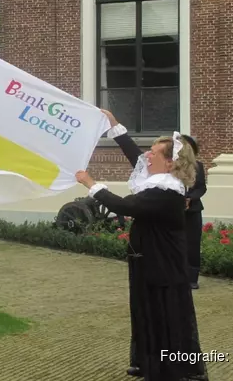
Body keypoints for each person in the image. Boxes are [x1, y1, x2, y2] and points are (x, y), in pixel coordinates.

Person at [75, 110, 208, 381]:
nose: (148, 155)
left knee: (162, 314)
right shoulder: (159, 181)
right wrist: (115, 126)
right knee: (146, 311)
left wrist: (90, 183)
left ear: (170, 163)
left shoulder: (166, 191)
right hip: (149, 260)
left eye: (155, 153)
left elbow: (125, 206)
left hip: (162, 265)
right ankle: (149, 362)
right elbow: (135, 155)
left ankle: (168, 369)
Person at [181, 135, 207, 290]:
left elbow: (202, 187)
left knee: (193, 244)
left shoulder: (198, 166)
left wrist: (190, 198)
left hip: (193, 211)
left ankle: (192, 278)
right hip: (174, 210)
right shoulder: (172, 166)